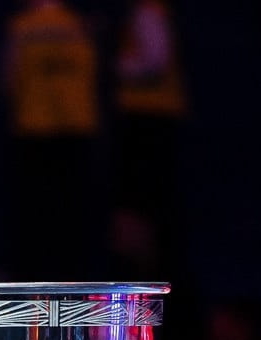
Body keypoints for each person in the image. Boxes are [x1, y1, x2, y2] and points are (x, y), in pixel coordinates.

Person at [3, 0, 99, 276]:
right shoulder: (80, 25)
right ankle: (72, 280)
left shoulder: (22, 27)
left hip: (34, 128)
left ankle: (33, 280)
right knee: (72, 217)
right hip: (77, 128)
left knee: (35, 217)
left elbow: (8, 78)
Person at [110, 0, 185, 258]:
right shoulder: (147, 12)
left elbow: (155, 62)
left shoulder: (147, 12)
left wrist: (115, 65)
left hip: (148, 119)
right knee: (144, 202)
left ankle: (146, 263)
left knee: (142, 202)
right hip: (147, 117)